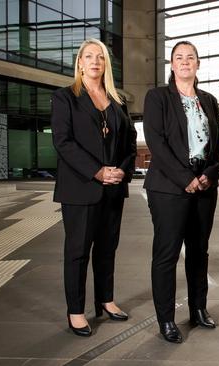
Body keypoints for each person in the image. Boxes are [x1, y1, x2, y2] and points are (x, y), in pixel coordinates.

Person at [51, 38, 137, 337]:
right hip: (80, 188)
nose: (95, 61)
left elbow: (129, 143)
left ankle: (106, 300)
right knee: (77, 252)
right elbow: (63, 142)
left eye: (100, 57)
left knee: (106, 249)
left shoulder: (117, 100)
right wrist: (98, 172)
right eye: (89, 56)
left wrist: (121, 171)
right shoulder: (65, 98)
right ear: (80, 62)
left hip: (113, 188)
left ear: (106, 64)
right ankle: (76, 311)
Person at [143, 40, 219, 343]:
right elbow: (156, 142)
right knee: (166, 254)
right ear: (172, 64)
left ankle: (198, 309)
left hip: (204, 187)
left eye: (190, 57)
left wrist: (208, 174)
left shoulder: (209, 100)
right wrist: (184, 178)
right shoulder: (157, 98)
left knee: (198, 252)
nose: (185, 62)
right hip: (168, 188)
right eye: (179, 57)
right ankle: (166, 319)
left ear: (198, 63)